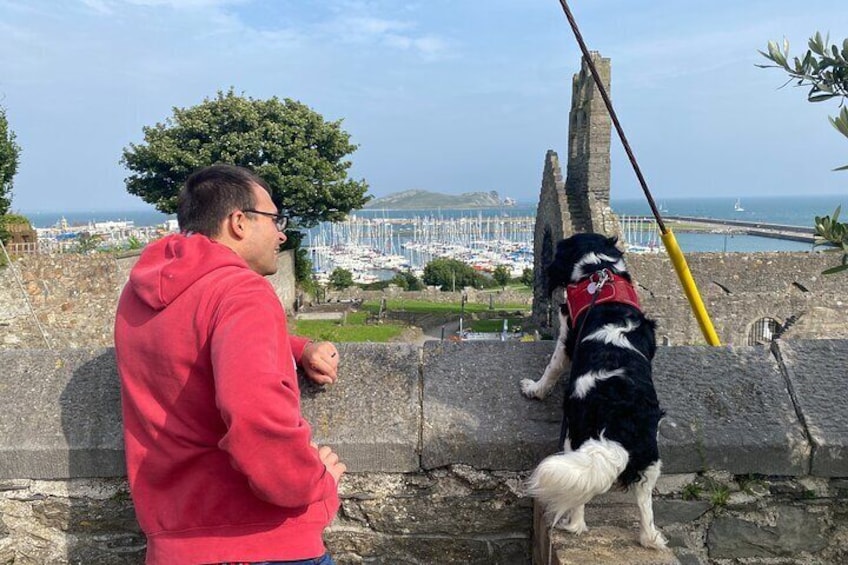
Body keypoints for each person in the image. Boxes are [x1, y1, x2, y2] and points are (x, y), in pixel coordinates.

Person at [114, 164, 346, 565]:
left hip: (174, 542)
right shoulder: (243, 292)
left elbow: (186, 341)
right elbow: (254, 417)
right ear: (239, 222)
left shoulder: (140, 294)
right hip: (259, 541)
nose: (281, 233)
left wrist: (292, 346)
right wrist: (312, 481)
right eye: (275, 220)